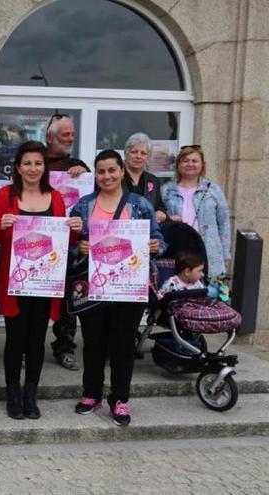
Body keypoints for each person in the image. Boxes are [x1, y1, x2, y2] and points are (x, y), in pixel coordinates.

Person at [70, 149, 166, 427]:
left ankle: (120, 398)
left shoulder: (139, 205)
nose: (106, 176)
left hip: (130, 286)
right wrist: (81, 247)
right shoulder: (83, 206)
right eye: (101, 171)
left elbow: (159, 239)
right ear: (95, 175)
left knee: (123, 344)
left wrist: (156, 246)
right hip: (94, 285)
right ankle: (91, 393)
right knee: (93, 343)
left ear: (122, 171)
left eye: (112, 170)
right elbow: (69, 244)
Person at [0, 141, 82, 420]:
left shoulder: (56, 198)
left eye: (38, 163)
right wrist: (1, 227)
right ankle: (13, 393)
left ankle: (31, 393)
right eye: (27, 163)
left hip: (44, 281)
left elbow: (62, 240)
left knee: (37, 340)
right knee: (15, 339)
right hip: (14, 280)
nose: (32, 169)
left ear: (45, 167)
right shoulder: (5, 195)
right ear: (18, 167)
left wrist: (75, 230)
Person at [44, 114, 88, 371]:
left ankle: (65, 346)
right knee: (36, 299)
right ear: (50, 137)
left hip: (71, 244)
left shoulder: (77, 165)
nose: (71, 139)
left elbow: (90, 197)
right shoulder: (35, 160)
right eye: (65, 135)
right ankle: (30, 346)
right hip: (42, 242)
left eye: (72, 135)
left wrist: (85, 175)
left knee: (68, 301)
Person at [161, 146, 231, 277]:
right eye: (185, 160)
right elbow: (161, 221)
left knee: (209, 293)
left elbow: (224, 222)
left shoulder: (213, 190)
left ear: (202, 164)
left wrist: (224, 253)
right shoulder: (166, 190)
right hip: (178, 251)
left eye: (194, 161)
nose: (190, 164)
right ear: (178, 164)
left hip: (209, 251)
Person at [122, 133, 166, 222]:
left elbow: (159, 205)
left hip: (147, 231)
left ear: (148, 157)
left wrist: (161, 212)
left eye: (143, 153)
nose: (138, 156)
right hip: (121, 228)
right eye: (134, 152)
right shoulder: (116, 177)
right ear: (126, 153)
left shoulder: (153, 180)